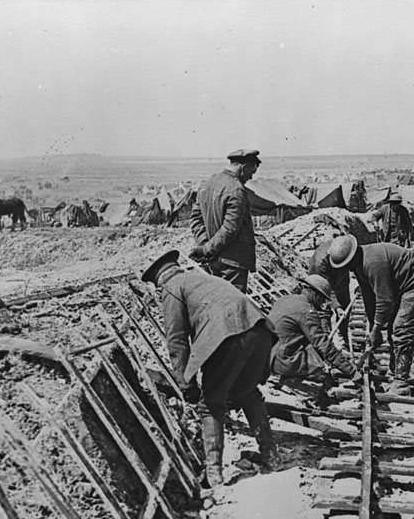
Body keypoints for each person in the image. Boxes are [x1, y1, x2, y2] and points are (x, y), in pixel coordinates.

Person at [141, 249, 279, 488]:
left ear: (157, 281)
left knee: (211, 405)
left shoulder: (172, 289)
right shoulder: (201, 278)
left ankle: (214, 475)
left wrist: (186, 385)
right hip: (259, 329)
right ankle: (271, 456)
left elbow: (177, 340)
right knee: (248, 393)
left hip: (228, 337)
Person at [327, 236, 414, 394]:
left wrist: (377, 329)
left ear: (352, 256)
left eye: (346, 265)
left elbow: (385, 299)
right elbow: (369, 296)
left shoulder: (373, 263)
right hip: (400, 283)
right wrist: (372, 327)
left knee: (401, 329)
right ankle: (395, 370)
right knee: (392, 326)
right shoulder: (358, 265)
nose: (346, 269)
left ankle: (402, 383)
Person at [268, 274, 358, 390]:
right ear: (315, 294)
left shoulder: (284, 299)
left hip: (267, 357)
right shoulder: (307, 311)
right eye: (322, 298)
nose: (322, 302)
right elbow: (324, 346)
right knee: (322, 372)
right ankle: (294, 380)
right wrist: (351, 371)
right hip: (282, 362)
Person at [189, 149, 261, 292]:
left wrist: (205, 246)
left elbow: (196, 219)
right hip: (233, 263)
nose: (250, 177)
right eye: (251, 172)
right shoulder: (236, 190)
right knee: (233, 307)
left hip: (213, 260)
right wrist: (206, 249)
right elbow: (230, 229)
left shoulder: (207, 184)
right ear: (243, 167)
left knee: (218, 302)